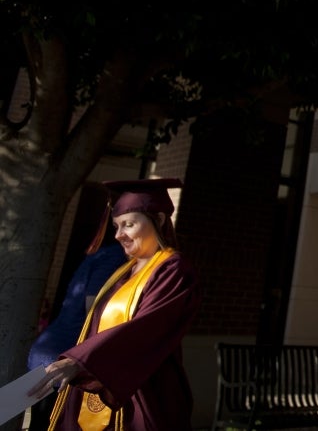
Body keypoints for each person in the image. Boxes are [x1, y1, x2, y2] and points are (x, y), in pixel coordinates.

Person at [28, 178, 201, 430]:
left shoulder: (173, 270)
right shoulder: (123, 271)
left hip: (139, 389)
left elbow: (146, 327)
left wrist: (79, 361)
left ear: (160, 220)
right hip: (88, 374)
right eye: (116, 226)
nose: (119, 235)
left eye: (128, 225)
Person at [24, 236, 126, 431]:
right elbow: (94, 307)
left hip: (49, 349)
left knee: (32, 418)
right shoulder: (114, 256)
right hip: (62, 354)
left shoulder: (99, 254)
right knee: (46, 423)